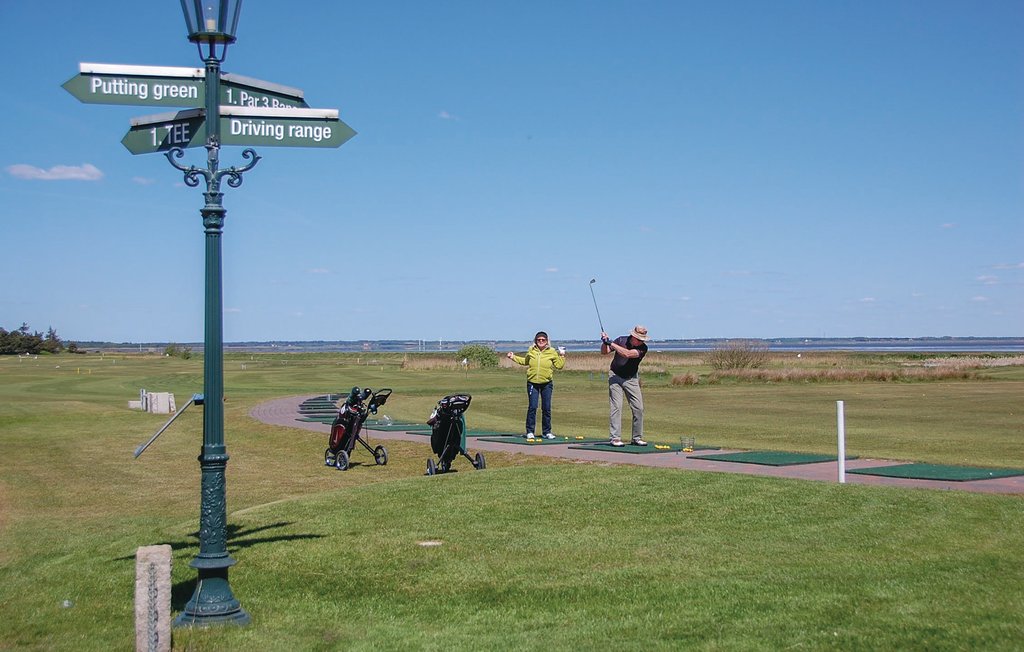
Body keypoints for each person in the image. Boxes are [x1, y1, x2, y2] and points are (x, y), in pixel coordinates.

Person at [507, 331, 566, 440]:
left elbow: (559, 365)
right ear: (535, 341)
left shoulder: (552, 352)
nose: (541, 341)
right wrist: (513, 357)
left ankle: (546, 432)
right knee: (533, 407)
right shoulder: (531, 351)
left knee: (546, 408)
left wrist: (562, 355)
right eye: (539, 340)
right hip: (532, 383)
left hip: (546, 383)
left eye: (543, 340)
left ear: (547, 341)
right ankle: (530, 431)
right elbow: (525, 361)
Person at [601, 325, 650, 447]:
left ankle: (637, 438)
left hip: (631, 379)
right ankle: (615, 438)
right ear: (633, 336)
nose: (640, 341)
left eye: (642, 339)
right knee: (616, 407)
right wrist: (605, 342)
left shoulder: (643, 348)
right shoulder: (621, 340)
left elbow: (627, 354)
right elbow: (604, 352)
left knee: (638, 408)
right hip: (615, 376)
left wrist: (611, 343)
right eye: (639, 339)